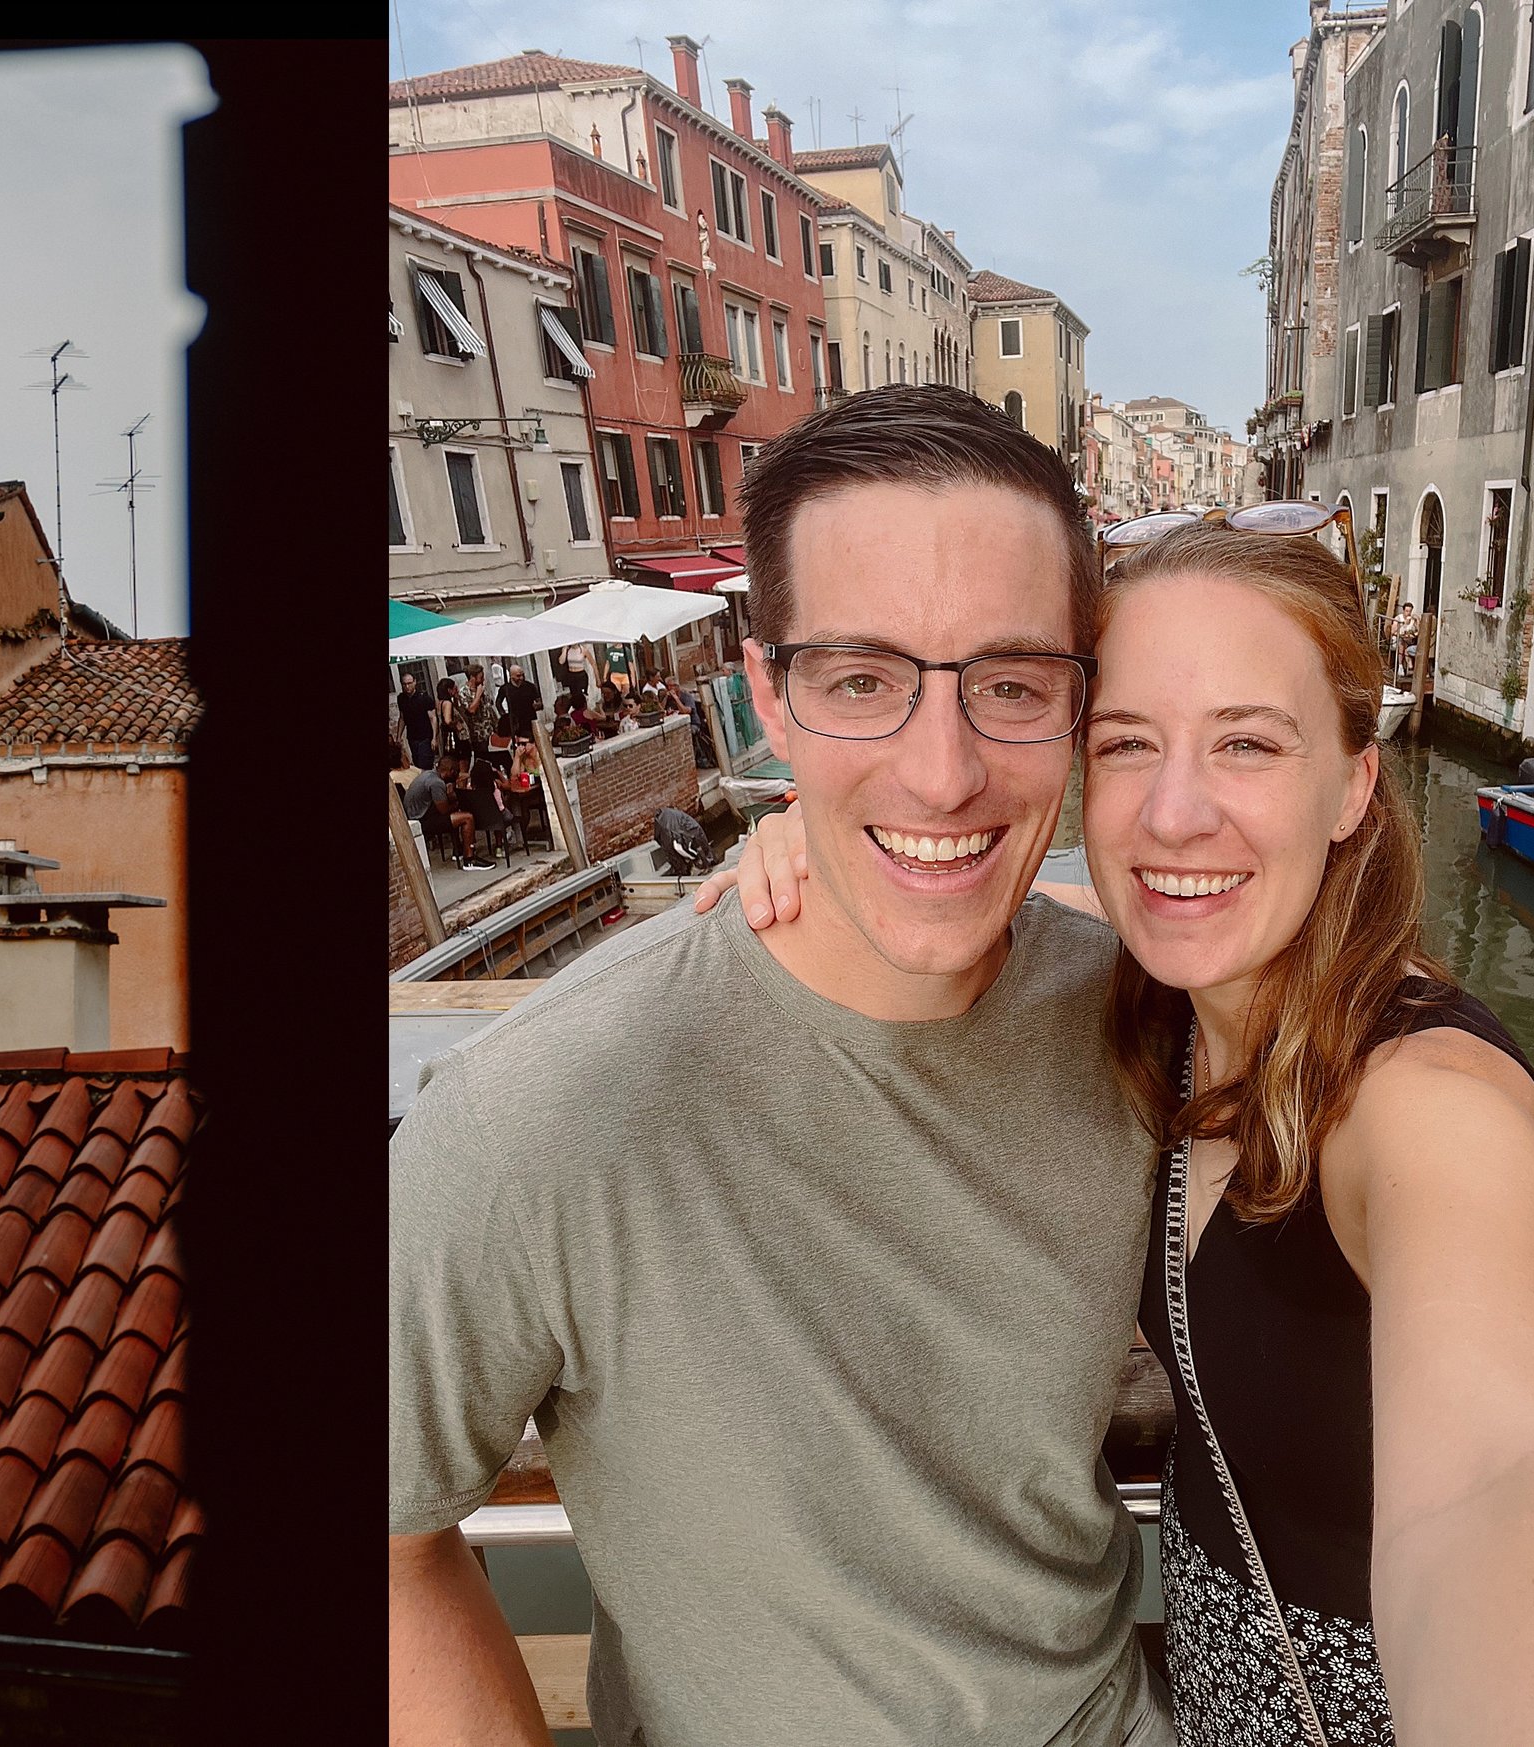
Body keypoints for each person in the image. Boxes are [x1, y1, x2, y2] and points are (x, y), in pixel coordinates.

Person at [698, 524, 1534, 1742]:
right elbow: (1041, 907)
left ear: (1352, 785)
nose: (1173, 814)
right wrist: (845, 847)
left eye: (1246, 743)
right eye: (1126, 746)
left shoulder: (1426, 1099)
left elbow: (1515, 1471)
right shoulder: (1165, 1004)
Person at [394, 385, 1173, 1746]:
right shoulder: (535, 1107)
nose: (942, 771)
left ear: (1076, 701)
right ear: (770, 695)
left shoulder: (1148, 1017)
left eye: (1009, 682)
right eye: (862, 679)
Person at [406, 752, 492, 871]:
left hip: (418, 815)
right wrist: (458, 803)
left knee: (457, 815)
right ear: (451, 771)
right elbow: (444, 810)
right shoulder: (436, 783)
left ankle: (458, 850)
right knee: (467, 817)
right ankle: (469, 859)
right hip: (422, 822)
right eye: (456, 772)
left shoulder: (428, 774)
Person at [497, 661, 543, 744]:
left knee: (531, 742)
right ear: (511, 676)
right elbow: (498, 703)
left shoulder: (530, 686)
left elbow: (539, 700)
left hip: (530, 719)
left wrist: (537, 705)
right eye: (518, 676)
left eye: (522, 675)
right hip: (515, 721)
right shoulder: (505, 689)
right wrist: (504, 715)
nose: (521, 678)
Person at [399, 668, 436, 771]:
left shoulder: (424, 698)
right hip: (412, 737)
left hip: (425, 737)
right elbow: (402, 718)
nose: (407, 687)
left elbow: (433, 718)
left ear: (414, 682)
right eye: (404, 684)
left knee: (425, 763)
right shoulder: (401, 699)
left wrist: (434, 738)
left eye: (409, 683)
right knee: (417, 764)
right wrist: (398, 736)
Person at [1387, 599, 1417, 684]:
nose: (1408, 613)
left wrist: (1417, 621)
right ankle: (1401, 666)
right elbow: (1393, 631)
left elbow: (1416, 630)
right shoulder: (1398, 618)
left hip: (1407, 639)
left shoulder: (1412, 620)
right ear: (1403, 610)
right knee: (1401, 642)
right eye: (1407, 611)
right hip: (1396, 639)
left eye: (1410, 611)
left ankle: (1409, 667)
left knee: (1406, 644)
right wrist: (1403, 623)